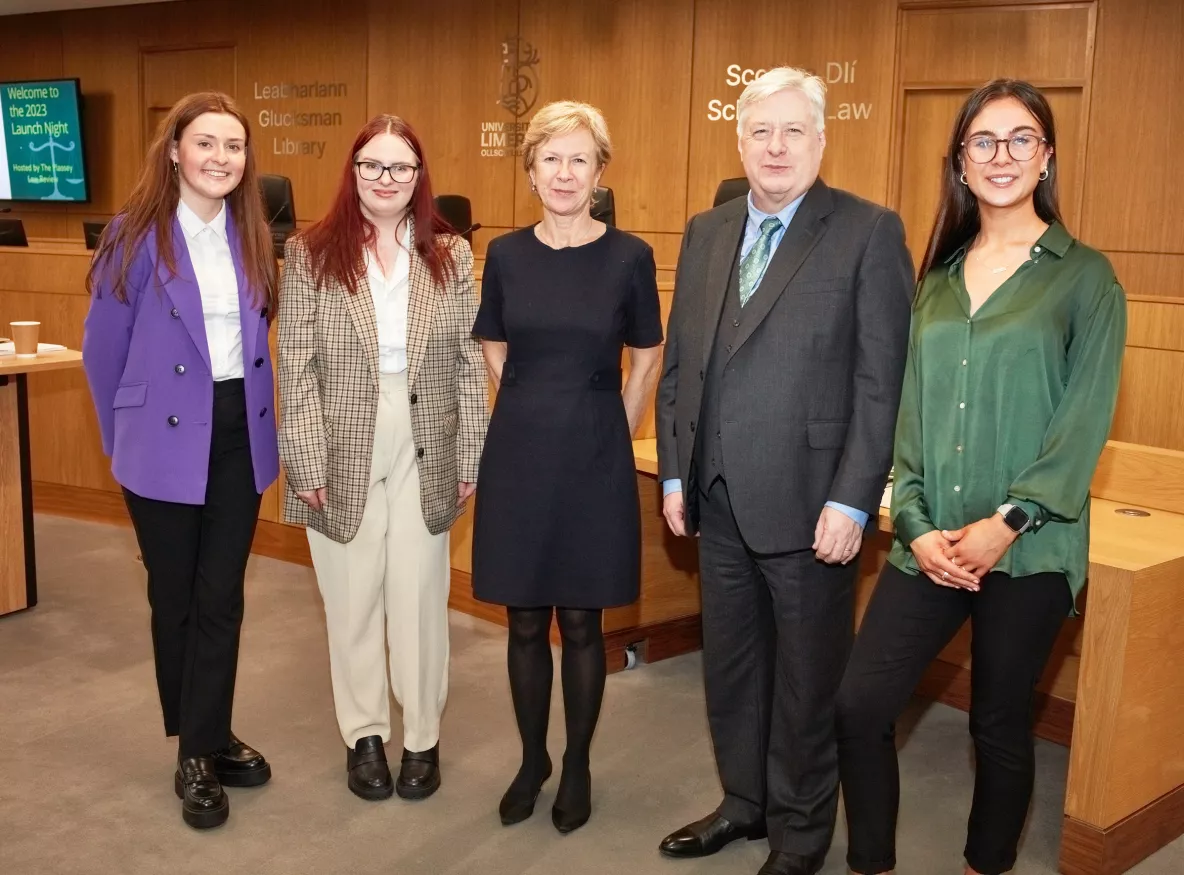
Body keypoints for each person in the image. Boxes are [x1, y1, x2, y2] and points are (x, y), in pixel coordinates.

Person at [835, 79, 1127, 875]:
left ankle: (984, 865)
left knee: (996, 724)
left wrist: (1010, 520)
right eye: (983, 141)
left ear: (1047, 157)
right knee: (859, 707)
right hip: (930, 542)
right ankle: (871, 862)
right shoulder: (937, 278)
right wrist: (919, 524)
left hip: (1028, 550)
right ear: (960, 163)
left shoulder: (1085, 279)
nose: (1002, 155)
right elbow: (911, 416)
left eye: (1021, 138)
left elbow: (1082, 424)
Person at [655, 67, 914, 875]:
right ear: (739, 141)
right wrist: (672, 475)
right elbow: (681, 366)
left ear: (822, 140)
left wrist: (854, 496)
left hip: (812, 507)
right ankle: (744, 801)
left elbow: (884, 382)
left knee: (806, 683)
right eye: (760, 132)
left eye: (793, 131)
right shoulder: (706, 230)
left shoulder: (869, 232)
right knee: (731, 667)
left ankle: (801, 834)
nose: (775, 147)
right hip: (717, 498)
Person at [82, 92, 279, 830]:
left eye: (234, 146)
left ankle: (208, 735)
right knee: (178, 598)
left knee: (222, 594)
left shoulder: (253, 232)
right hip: (162, 435)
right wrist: (121, 440)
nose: (221, 158)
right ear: (175, 150)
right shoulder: (134, 236)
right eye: (206, 143)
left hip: (237, 430)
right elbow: (102, 351)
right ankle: (196, 749)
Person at [277, 115, 487, 803]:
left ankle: (422, 736)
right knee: (352, 594)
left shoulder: (451, 254)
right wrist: (305, 459)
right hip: (339, 433)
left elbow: (466, 362)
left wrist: (470, 454)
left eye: (400, 167)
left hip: (428, 427)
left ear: (420, 177)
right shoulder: (310, 251)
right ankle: (364, 734)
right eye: (372, 165)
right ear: (353, 170)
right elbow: (295, 362)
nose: (386, 179)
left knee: (420, 593)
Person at [470, 100, 663, 835]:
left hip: (594, 448)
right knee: (524, 618)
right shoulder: (508, 255)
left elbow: (646, 353)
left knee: (582, 620)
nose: (564, 172)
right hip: (520, 446)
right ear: (530, 170)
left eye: (579, 159)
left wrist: (618, 416)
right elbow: (493, 340)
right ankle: (532, 758)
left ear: (599, 171)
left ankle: (577, 760)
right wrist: (525, 400)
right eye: (550, 158)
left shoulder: (630, 256)